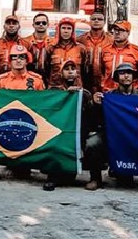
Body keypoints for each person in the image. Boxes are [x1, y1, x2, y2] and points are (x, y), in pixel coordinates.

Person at [0, 44, 45, 182]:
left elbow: (43, 105)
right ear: (9, 61)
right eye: (14, 57)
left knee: (22, 173)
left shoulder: (36, 80)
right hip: (6, 121)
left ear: (27, 60)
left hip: (28, 124)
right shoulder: (2, 80)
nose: (18, 60)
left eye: (21, 57)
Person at [92, 62, 138, 188]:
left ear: (134, 77)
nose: (126, 76)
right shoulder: (109, 96)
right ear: (117, 78)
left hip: (134, 135)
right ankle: (95, 179)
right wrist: (95, 103)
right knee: (92, 143)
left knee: (126, 182)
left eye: (129, 73)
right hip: (111, 133)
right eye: (122, 73)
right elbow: (97, 118)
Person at [44, 60, 89, 191]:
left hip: (76, 131)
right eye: (66, 69)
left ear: (77, 73)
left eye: (73, 69)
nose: (70, 72)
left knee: (69, 178)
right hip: (58, 130)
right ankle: (51, 177)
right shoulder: (54, 91)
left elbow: (89, 107)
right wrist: (65, 94)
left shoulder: (83, 92)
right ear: (61, 73)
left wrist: (79, 94)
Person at [100, 20, 138, 92]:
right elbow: (101, 71)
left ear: (128, 33)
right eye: (115, 30)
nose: (117, 32)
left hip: (129, 94)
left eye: (121, 30)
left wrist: (135, 87)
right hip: (109, 92)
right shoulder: (105, 50)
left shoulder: (137, 51)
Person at [0, 15, 30, 87]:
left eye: (14, 23)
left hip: (20, 81)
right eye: (8, 23)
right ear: (4, 26)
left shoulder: (27, 45)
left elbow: (30, 63)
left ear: (19, 26)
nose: (11, 26)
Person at [45, 17, 86, 89]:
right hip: (56, 88)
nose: (66, 31)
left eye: (69, 28)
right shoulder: (50, 48)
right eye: (63, 28)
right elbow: (46, 69)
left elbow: (85, 70)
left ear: (73, 31)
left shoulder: (81, 48)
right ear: (59, 30)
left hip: (75, 88)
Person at [77, 11, 113, 93]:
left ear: (104, 22)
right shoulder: (80, 40)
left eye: (100, 19)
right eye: (94, 19)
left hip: (106, 85)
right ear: (89, 21)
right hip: (85, 83)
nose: (96, 21)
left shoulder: (111, 40)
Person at [23, 13, 53, 81]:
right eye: (38, 23)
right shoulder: (25, 42)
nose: (41, 24)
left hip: (49, 79)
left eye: (44, 23)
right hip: (28, 78)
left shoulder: (54, 43)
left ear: (48, 25)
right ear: (33, 25)